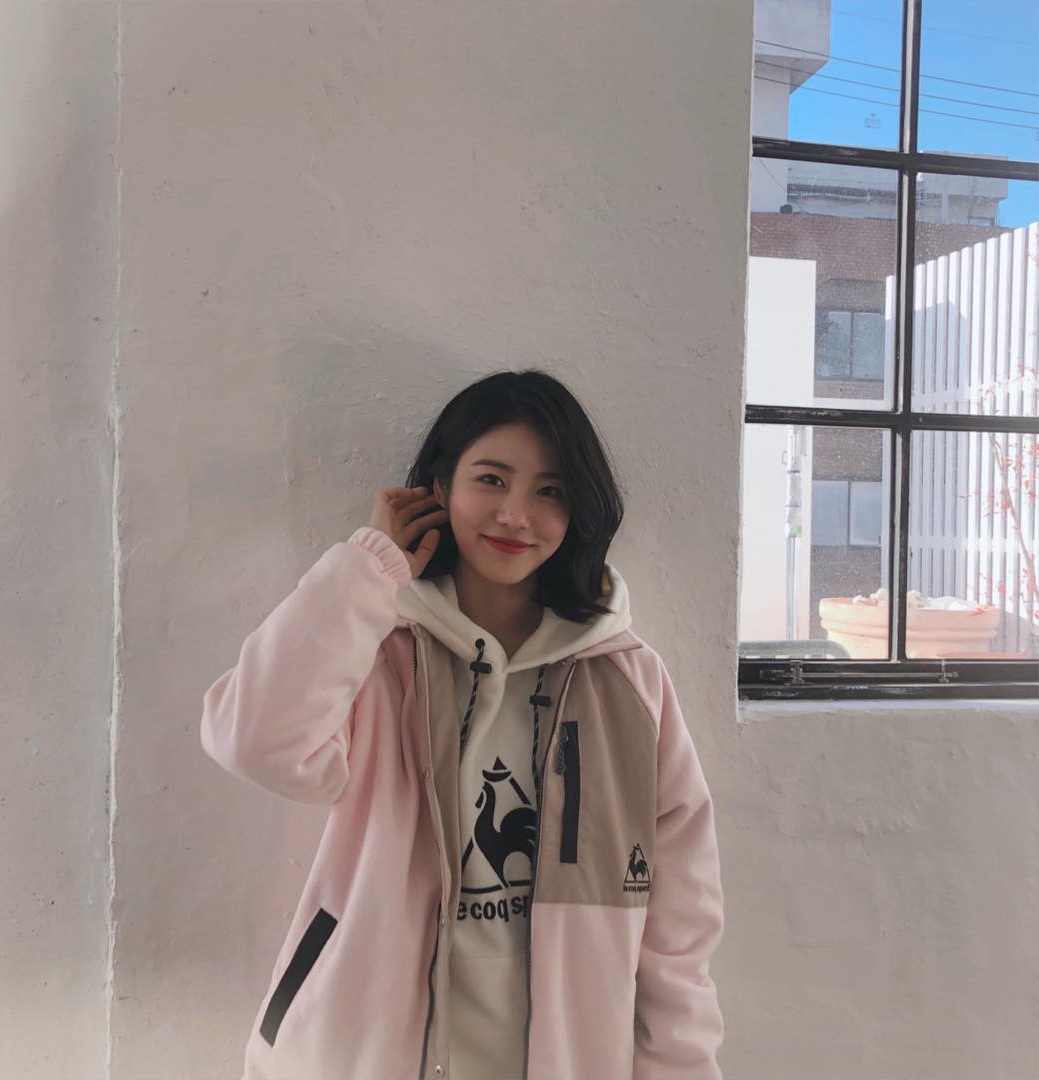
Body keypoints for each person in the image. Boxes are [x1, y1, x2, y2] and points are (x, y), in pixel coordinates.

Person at [200, 369, 725, 1080]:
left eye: (550, 492)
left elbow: (679, 931)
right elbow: (254, 741)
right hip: (368, 1053)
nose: (516, 514)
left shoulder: (627, 681)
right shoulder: (380, 656)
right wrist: (367, 568)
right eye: (492, 480)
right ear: (441, 488)